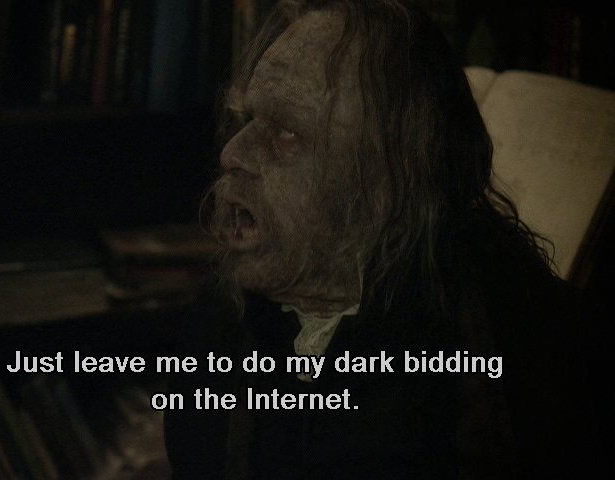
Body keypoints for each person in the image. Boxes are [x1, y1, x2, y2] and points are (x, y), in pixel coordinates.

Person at [165, 1, 598, 478]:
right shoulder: (219, 322)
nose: (233, 153)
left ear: (388, 178)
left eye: (286, 133)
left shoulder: (517, 350)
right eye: (246, 119)